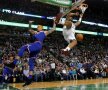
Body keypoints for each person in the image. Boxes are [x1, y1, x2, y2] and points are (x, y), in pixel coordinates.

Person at [16, 19, 56, 86]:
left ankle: (14, 63)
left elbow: (53, 29)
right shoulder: (35, 32)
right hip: (36, 46)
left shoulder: (44, 32)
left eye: (38, 27)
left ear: (41, 28)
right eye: (37, 27)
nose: (37, 27)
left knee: (24, 47)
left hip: (37, 45)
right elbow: (29, 29)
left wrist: (54, 22)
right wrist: (30, 24)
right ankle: (30, 79)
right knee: (31, 62)